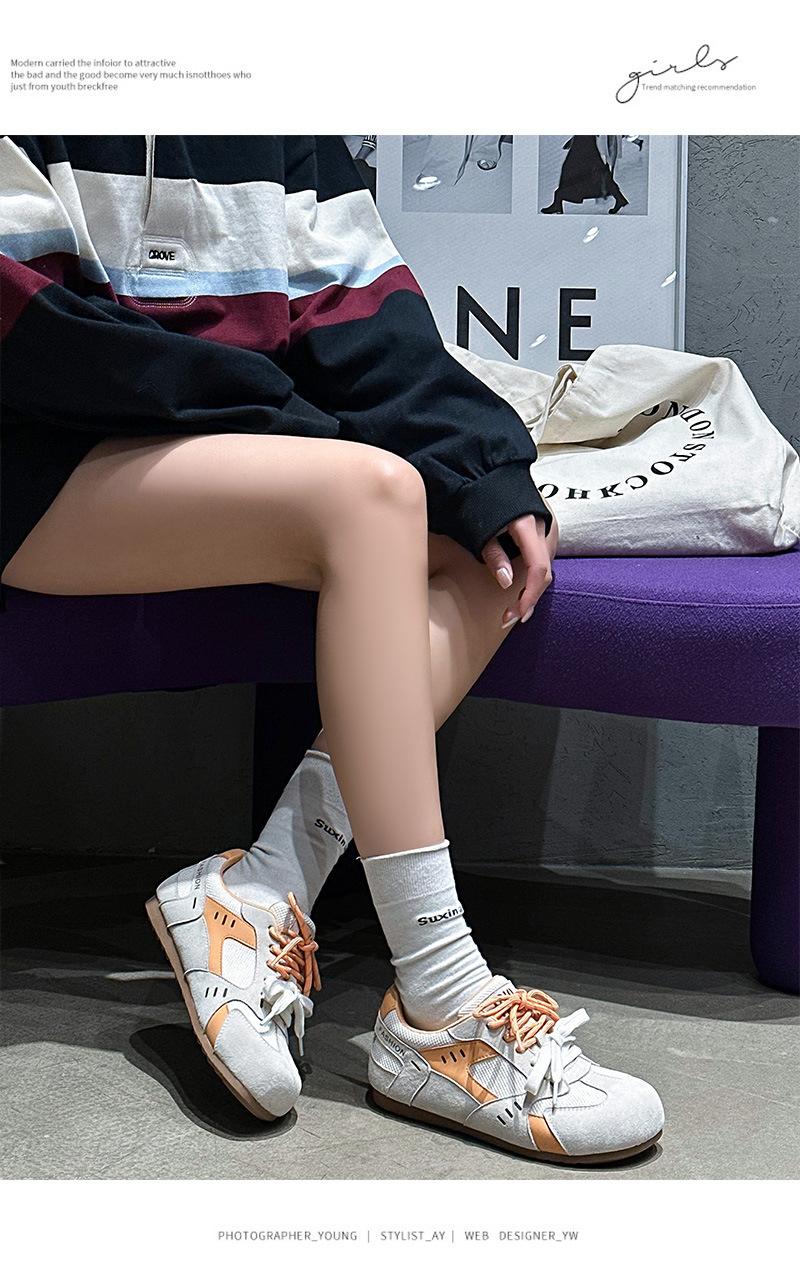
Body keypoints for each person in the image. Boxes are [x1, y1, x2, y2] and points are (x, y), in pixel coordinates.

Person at [0, 134, 663, 1164]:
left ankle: (260, 892)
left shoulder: (276, 125)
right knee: (372, 493)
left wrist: (482, 470)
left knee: (486, 547)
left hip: (223, 447)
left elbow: (371, 326)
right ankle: (441, 1003)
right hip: (36, 454)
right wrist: (299, 426)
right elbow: (41, 340)